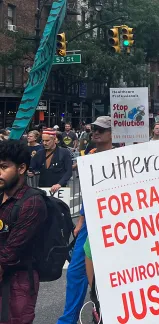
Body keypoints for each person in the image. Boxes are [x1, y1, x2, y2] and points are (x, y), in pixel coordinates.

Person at [59, 116, 113, 324]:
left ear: (112, 133)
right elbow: (88, 193)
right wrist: (80, 221)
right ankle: (68, 319)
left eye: (101, 129)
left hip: (113, 218)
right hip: (91, 220)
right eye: (94, 129)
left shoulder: (121, 156)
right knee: (75, 272)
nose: (96, 132)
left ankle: (106, 312)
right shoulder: (89, 155)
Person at [0, 140, 47, 323]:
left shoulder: (32, 203)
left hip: (18, 282)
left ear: (21, 168)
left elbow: (9, 252)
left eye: (4, 167)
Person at [29, 129, 73, 193]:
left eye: (47, 141)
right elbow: (32, 167)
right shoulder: (39, 153)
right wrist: (30, 172)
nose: (44, 143)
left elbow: (69, 171)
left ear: (54, 140)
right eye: (43, 141)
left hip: (59, 190)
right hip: (43, 189)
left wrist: (59, 184)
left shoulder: (64, 152)